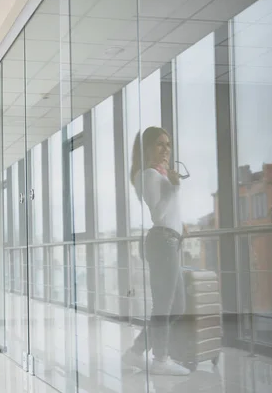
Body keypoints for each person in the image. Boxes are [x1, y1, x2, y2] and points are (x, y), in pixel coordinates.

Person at [122, 126, 189, 376]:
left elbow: (167, 212)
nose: (166, 150)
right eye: (160, 144)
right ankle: (160, 359)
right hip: (163, 243)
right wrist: (174, 187)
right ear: (148, 148)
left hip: (170, 241)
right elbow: (158, 213)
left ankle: (136, 351)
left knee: (177, 306)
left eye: (168, 144)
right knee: (164, 305)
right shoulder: (149, 174)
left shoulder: (158, 175)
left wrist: (181, 225)